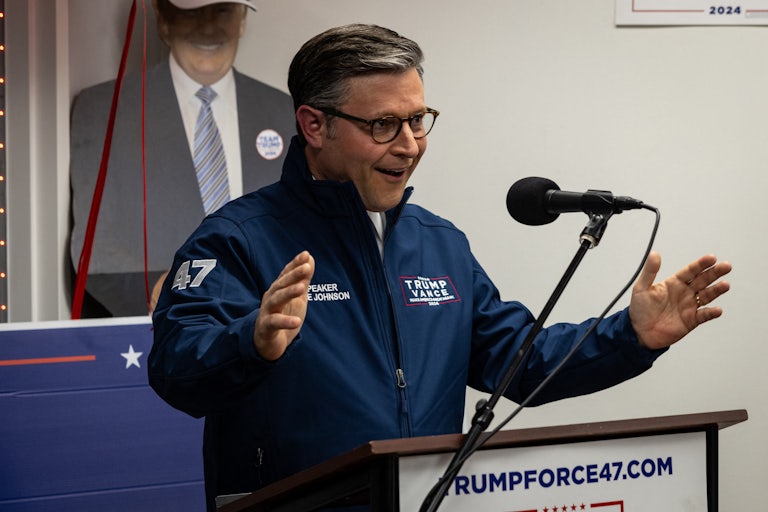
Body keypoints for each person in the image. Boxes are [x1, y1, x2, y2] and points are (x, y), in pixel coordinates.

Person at [148, 24, 732, 510]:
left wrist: (630, 337)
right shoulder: (236, 239)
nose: (410, 145)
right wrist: (248, 342)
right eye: (383, 125)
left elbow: (518, 362)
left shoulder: (438, 242)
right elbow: (175, 371)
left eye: (418, 119)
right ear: (314, 125)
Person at [69, 0, 295, 317]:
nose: (207, 27)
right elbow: (95, 247)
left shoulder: (286, 111)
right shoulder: (105, 109)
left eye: (222, 10)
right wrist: (158, 290)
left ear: (242, 20)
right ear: (163, 20)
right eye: (191, 12)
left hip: (273, 336)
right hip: (161, 338)